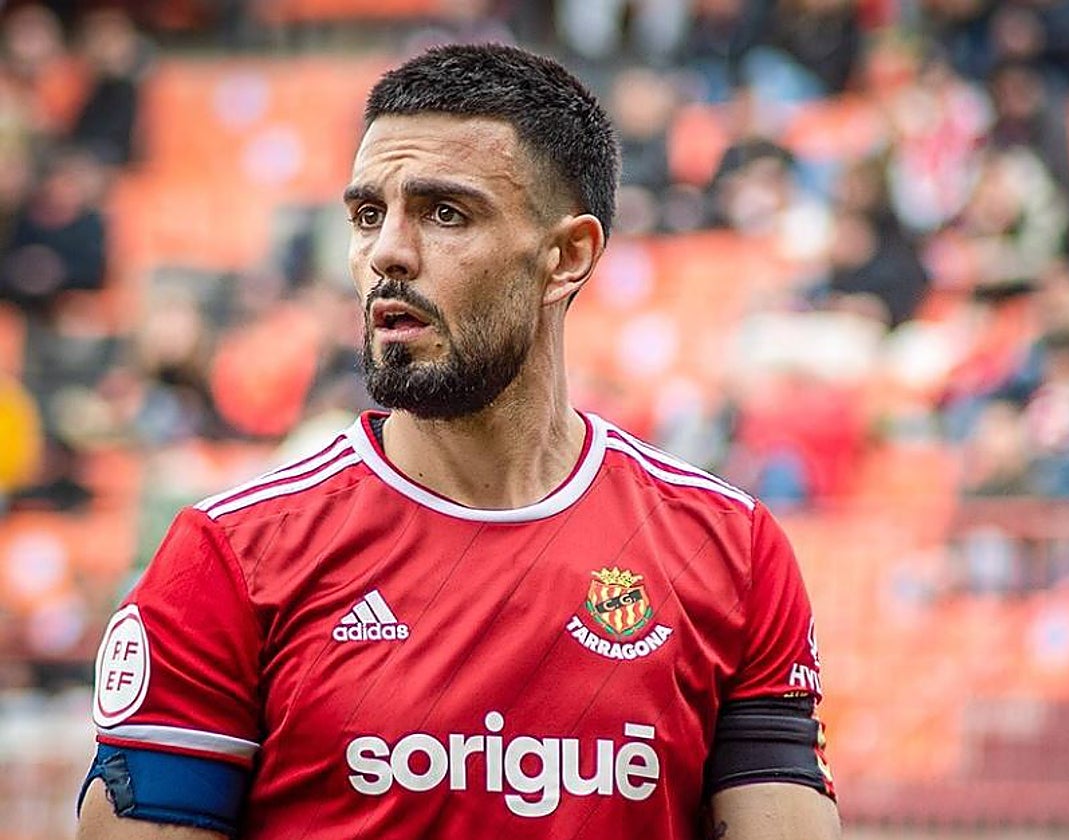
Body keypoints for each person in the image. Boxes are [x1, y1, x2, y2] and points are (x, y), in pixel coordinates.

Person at [75, 43, 839, 840]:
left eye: (446, 213)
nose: (388, 254)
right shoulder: (230, 557)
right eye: (369, 214)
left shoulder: (731, 551)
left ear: (566, 257)